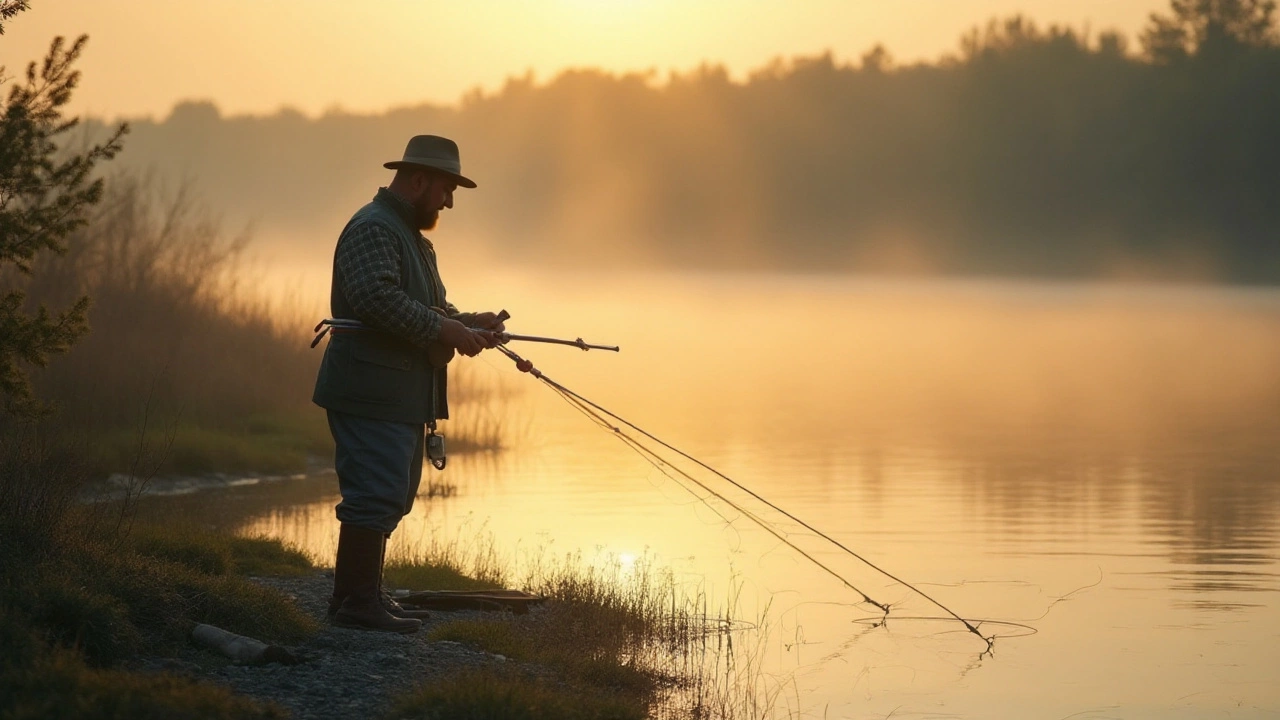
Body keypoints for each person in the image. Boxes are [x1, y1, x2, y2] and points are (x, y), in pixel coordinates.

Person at [312, 135, 503, 633]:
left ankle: (364, 595)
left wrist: (469, 321)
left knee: (392, 493)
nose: (450, 200)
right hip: (369, 391)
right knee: (373, 492)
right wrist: (445, 330)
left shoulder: (412, 237)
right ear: (418, 180)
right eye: (445, 188)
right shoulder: (374, 228)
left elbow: (429, 309)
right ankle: (355, 603)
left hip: (395, 393)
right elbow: (373, 298)